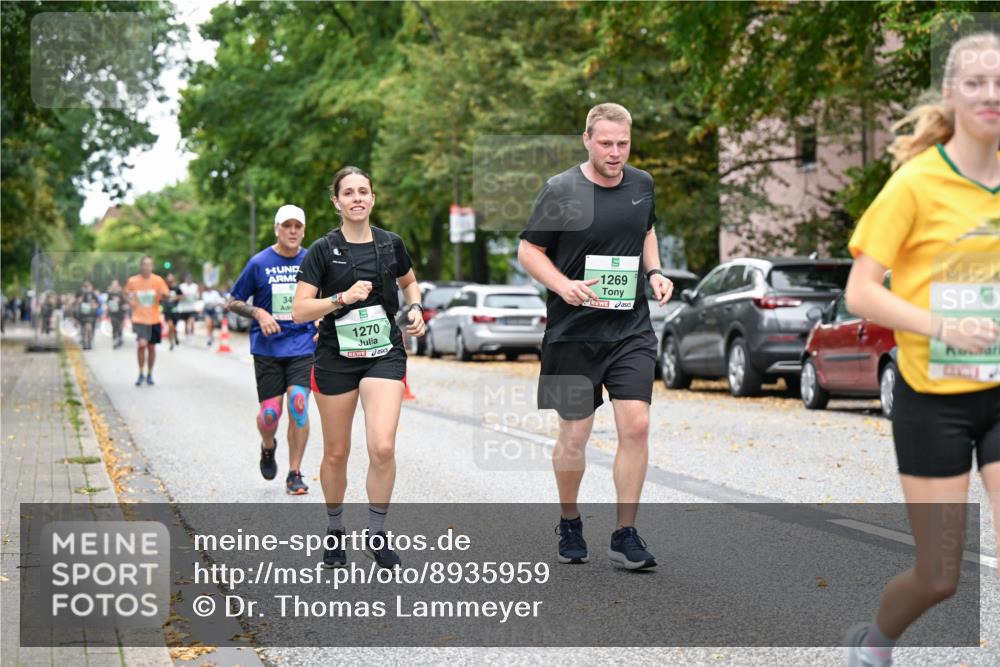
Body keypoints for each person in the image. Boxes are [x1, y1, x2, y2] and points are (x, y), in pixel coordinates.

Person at [842, 32, 1000, 667]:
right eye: (976, 82)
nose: (992, 94)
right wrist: (943, 326)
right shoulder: (916, 183)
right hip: (932, 399)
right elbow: (860, 293)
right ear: (951, 94)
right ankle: (874, 641)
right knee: (939, 576)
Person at [517, 103, 674, 570]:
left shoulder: (642, 184)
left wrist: (656, 272)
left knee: (638, 426)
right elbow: (529, 249)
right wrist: (563, 285)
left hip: (629, 328)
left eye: (623, 143)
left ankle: (625, 533)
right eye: (606, 143)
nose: (615, 152)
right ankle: (569, 520)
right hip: (572, 333)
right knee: (574, 436)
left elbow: (646, 230)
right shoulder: (561, 189)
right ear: (587, 139)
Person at [292, 166, 425, 569]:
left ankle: (377, 532)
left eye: (363, 191)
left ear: (372, 198)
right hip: (335, 358)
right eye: (348, 193)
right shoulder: (321, 249)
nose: (356, 198)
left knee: (382, 446)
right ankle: (335, 532)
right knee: (336, 452)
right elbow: (299, 311)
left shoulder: (391, 244)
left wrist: (416, 307)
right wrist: (341, 298)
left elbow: (409, 282)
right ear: (336, 201)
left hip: (384, 352)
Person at [228, 205, 318, 495]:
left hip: (303, 344)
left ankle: (295, 473)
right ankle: (268, 446)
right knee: (270, 415)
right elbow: (233, 301)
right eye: (286, 226)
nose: (292, 231)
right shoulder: (259, 263)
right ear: (276, 228)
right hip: (267, 348)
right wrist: (259, 313)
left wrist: (322, 322)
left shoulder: (313, 261)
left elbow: (328, 299)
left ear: (303, 230)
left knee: (298, 406)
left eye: (297, 226)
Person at [124, 256, 171, 386]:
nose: (146, 267)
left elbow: (166, 295)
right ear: (141, 266)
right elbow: (126, 294)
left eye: (149, 265)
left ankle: (149, 373)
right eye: (144, 264)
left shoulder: (158, 280)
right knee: (142, 345)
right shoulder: (133, 281)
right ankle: (140, 373)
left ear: (152, 267)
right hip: (139, 318)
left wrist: (165, 296)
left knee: (151, 347)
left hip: (154, 318)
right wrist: (131, 304)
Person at [75, 280, 100, 350]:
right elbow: (77, 302)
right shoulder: (82, 294)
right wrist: (79, 301)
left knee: (90, 328)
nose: (87, 288)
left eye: (88, 286)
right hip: (83, 314)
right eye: (86, 287)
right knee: (83, 328)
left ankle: (89, 341)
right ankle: (84, 341)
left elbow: (97, 303)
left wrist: (94, 305)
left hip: (91, 314)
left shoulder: (93, 295)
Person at [105, 279, 127, 349]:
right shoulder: (110, 294)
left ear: (118, 286)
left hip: (120, 313)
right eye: (113, 285)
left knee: (120, 327)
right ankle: (115, 339)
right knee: (114, 325)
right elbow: (107, 302)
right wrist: (108, 308)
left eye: (116, 285)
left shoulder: (121, 293)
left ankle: (120, 338)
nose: (114, 286)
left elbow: (125, 302)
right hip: (112, 312)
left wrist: (123, 305)